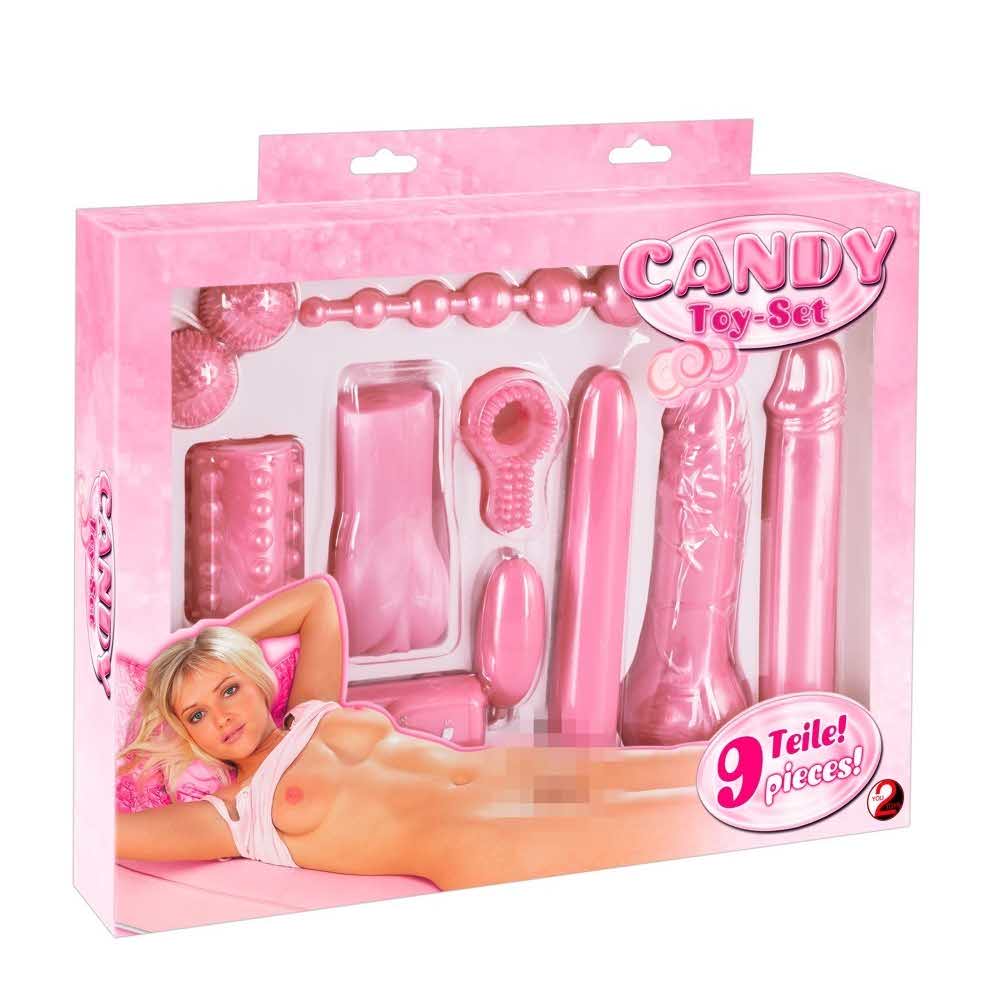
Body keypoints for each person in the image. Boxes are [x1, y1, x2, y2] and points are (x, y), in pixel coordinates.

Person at [117, 577, 722, 890]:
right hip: (482, 838)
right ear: (187, 735)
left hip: (512, 777)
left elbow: (317, 601)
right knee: (702, 826)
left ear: (255, 679)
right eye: (196, 715)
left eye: (228, 689)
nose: (221, 716)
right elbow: (104, 836)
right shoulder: (234, 814)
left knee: (698, 768)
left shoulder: (310, 709)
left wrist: (210, 643)